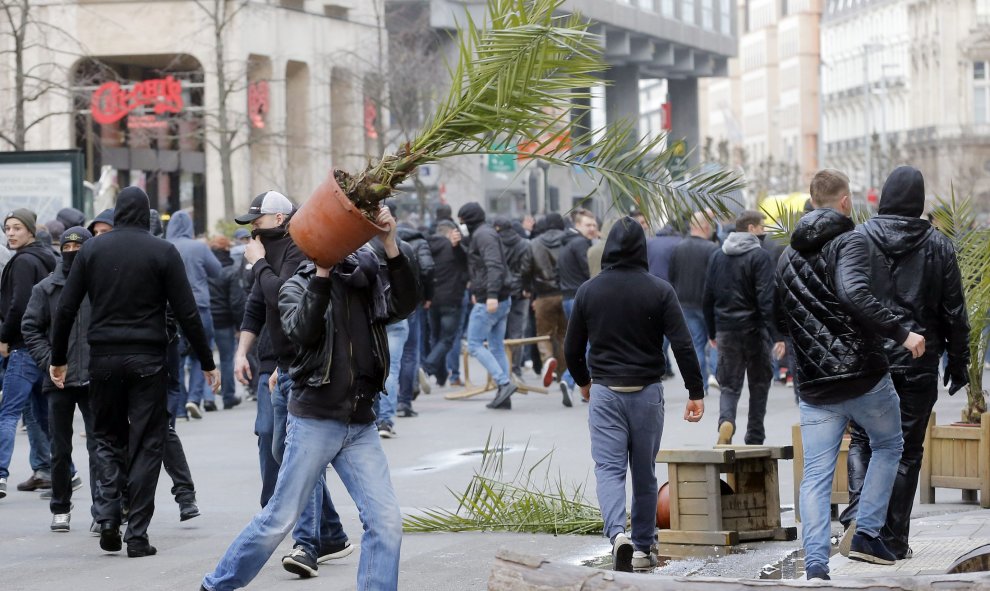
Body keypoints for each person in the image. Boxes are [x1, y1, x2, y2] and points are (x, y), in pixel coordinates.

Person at [201, 205, 417, 591]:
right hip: (315, 419)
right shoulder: (301, 280)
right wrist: (320, 272)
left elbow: (405, 303)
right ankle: (216, 585)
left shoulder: (364, 275)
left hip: (360, 422)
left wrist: (389, 242)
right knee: (278, 519)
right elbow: (301, 330)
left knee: (386, 524)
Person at [49, 186, 219, 557]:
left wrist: (58, 356)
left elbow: (66, 309)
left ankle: (108, 515)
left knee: (106, 438)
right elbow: (187, 311)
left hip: (103, 358)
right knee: (147, 444)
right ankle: (137, 534)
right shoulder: (163, 251)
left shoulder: (92, 249)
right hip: (148, 359)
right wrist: (207, 362)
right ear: (145, 215)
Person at [775, 169, 923, 579]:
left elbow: (776, 315)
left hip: (814, 385)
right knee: (890, 444)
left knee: (816, 475)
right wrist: (902, 332)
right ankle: (867, 533)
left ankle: (817, 566)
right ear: (845, 201)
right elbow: (854, 293)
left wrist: (807, 346)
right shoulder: (851, 240)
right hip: (862, 375)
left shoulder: (787, 255)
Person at [838, 166, 970, 560]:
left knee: (863, 439)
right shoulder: (938, 245)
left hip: (867, 362)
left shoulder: (857, 238)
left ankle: (860, 520)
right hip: (917, 362)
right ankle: (890, 539)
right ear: (919, 202)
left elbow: (846, 298)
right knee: (907, 451)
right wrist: (958, 362)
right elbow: (954, 312)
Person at [564, 217, 705, 572]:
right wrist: (695, 391)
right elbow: (683, 344)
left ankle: (616, 536)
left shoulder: (589, 291)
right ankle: (643, 546)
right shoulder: (659, 290)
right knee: (644, 473)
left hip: (606, 392)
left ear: (609, 246)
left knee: (609, 470)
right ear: (641, 248)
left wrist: (584, 381)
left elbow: (571, 348)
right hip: (646, 392)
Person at [233, 190, 352, 577]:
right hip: (283, 367)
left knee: (299, 457)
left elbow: (284, 297)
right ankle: (331, 533)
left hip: (306, 369)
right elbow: (257, 306)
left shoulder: (300, 249)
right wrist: (243, 353)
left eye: (258, 220)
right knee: (286, 454)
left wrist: (257, 266)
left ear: (281, 219)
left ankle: (307, 544)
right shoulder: (267, 256)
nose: (253, 229)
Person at [22, 227, 99, 532]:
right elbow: (31, 327)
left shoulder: (101, 286)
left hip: (95, 377)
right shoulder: (46, 289)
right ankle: (60, 506)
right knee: (60, 448)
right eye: (66, 246)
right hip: (58, 380)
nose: (71, 251)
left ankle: (102, 509)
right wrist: (51, 362)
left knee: (100, 447)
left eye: (78, 247)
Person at [703, 210, 782, 445]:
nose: (764, 231)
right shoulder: (760, 257)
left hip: (726, 329)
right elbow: (766, 299)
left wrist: (711, 332)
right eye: (762, 227)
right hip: (754, 330)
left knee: (729, 384)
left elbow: (707, 297)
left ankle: (726, 421)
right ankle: (755, 434)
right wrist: (776, 335)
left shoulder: (718, 256)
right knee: (759, 382)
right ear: (751, 229)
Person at [0, 208, 57, 500]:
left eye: (17, 228)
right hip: (44, 347)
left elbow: (18, 304)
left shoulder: (23, 261)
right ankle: (61, 472)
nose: (10, 233)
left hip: (24, 346)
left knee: (8, 412)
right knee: (40, 414)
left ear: (31, 231)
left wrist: (4, 337)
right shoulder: (48, 258)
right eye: (7, 228)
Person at [457, 202, 517, 409]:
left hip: (491, 299)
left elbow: (494, 265)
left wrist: (490, 295)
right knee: (496, 346)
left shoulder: (483, 235)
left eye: (462, 221)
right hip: (499, 297)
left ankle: (504, 383)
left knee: (473, 344)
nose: (461, 225)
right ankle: (504, 395)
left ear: (469, 220)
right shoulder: (483, 234)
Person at [166, 210, 222, 415]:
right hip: (200, 305)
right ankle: (194, 398)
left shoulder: (166, 246)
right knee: (202, 352)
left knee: (177, 358)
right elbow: (217, 271)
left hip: (171, 308)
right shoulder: (199, 247)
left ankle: (179, 407)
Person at [669, 212, 719, 394]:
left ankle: (702, 384)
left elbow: (672, 276)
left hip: (685, 303)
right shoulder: (712, 249)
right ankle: (715, 374)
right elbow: (716, 279)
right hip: (707, 303)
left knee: (697, 343)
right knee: (714, 340)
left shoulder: (678, 248)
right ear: (706, 227)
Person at [557, 208, 600, 403]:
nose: (592, 229)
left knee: (580, 342)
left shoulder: (565, 243)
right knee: (590, 344)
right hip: (579, 298)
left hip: (567, 297)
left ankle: (582, 385)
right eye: (587, 225)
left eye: (594, 225)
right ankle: (573, 380)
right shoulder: (581, 244)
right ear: (577, 225)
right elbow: (589, 270)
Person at [420, 221, 468, 391]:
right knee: (447, 339)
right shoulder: (452, 249)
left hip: (432, 300)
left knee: (435, 337)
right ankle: (426, 368)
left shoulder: (426, 247)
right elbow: (465, 264)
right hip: (451, 299)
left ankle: (440, 376)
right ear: (449, 233)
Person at [527, 212, 570, 391]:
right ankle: (563, 372)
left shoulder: (534, 243)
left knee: (544, 334)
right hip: (566, 293)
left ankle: (548, 360)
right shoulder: (568, 240)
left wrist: (530, 292)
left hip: (544, 295)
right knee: (564, 334)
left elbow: (526, 269)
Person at [208, 235, 246, 410]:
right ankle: (228, 396)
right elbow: (236, 301)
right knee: (226, 358)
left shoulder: (204, 268)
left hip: (206, 318)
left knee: (204, 359)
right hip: (224, 319)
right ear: (226, 249)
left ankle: (208, 397)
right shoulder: (230, 269)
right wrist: (239, 326)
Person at [494, 216, 533, 382]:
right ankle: (516, 369)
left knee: (498, 333)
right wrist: (526, 288)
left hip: (500, 292)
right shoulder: (524, 244)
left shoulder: (495, 244)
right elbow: (527, 269)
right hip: (520, 293)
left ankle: (502, 369)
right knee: (517, 332)